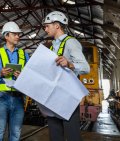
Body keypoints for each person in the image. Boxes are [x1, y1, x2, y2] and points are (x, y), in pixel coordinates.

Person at [42, 11, 90, 141]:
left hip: (68, 97)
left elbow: (85, 68)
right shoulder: (52, 47)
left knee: (72, 134)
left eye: (47, 26)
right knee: (55, 135)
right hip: (53, 96)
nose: (45, 29)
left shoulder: (71, 42)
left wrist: (70, 64)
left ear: (57, 25)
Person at [0, 21, 30, 141]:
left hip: (19, 97)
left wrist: (23, 76)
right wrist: (0, 73)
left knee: (16, 133)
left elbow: (31, 76)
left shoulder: (24, 55)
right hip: (1, 98)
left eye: (18, 34)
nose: (18, 36)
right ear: (6, 36)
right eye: (14, 34)